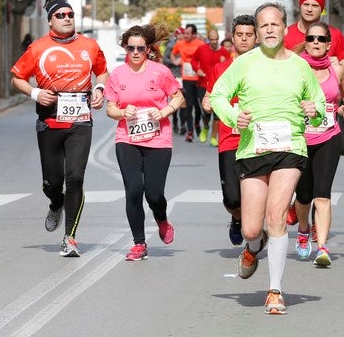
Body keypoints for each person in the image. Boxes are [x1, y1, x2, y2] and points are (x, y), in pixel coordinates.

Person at [209, 2, 325, 315]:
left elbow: (319, 104)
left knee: (275, 217)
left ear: (285, 28)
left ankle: (275, 291)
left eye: (275, 24)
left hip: (290, 148)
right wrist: (234, 116)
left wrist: (314, 112)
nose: (270, 30)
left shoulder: (300, 66)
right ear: (258, 32)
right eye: (264, 26)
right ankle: (252, 247)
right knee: (250, 228)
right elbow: (217, 96)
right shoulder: (244, 63)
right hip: (252, 149)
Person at [11, 0, 108, 258]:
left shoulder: (90, 46)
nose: (67, 18)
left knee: (75, 177)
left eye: (70, 14)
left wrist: (99, 89)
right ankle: (56, 203)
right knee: (51, 183)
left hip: (80, 120)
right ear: (51, 21)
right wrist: (35, 93)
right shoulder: (37, 48)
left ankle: (70, 238)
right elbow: (17, 77)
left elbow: (103, 72)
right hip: (50, 119)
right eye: (61, 15)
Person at [105, 24, 184, 261]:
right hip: (127, 139)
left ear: (148, 49)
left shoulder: (160, 72)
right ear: (125, 48)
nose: (136, 52)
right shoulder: (118, 74)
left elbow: (178, 96)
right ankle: (139, 243)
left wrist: (164, 112)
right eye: (131, 48)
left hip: (158, 140)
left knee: (154, 194)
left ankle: (161, 219)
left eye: (140, 48)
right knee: (134, 190)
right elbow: (110, 108)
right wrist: (121, 112)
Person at [293, 21, 344, 267]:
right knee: (304, 194)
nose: (315, 42)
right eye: (311, 38)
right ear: (305, 42)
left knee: (323, 194)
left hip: (329, 135)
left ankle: (323, 247)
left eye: (320, 39)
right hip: (300, 137)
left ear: (329, 44)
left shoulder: (337, 70)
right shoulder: (295, 68)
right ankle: (304, 229)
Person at [201, 14, 257, 246]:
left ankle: (255, 231)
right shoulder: (221, 68)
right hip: (229, 140)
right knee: (233, 199)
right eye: (240, 35)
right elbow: (208, 98)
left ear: (256, 38)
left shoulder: (265, 67)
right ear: (232, 38)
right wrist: (207, 103)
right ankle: (236, 218)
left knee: (257, 194)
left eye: (249, 35)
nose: (244, 39)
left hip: (259, 140)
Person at [284, 0, 344, 79]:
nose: (309, 9)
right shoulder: (286, 34)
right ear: (300, 6)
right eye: (306, 4)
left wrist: (337, 66)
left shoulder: (335, 35)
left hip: (326, 92)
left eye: (315, 6)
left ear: (322, 9)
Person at [193, 27, 230, 144]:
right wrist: (197, 69)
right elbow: (193, 60)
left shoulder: (224, 51)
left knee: (217, 113)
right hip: (203, 84)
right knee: (205, 111)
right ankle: (205, 127)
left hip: (218, 86)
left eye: (216, 39)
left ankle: (214, 137)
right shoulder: (201, 49)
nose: (214, 42)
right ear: (208, 39)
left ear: (219, 39)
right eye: (212, 39)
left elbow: (230, 66)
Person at [170, 24, 205, 142]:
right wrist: (175, 61)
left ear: (194, 34)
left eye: (188, 33)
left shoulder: (200, 44)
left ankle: (197, 124)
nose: (185, 35)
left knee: (199, 105)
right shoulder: (180, 44)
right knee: (188, 105)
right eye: (184, 33)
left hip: (199, 79)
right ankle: (190, 131)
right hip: (187, 78)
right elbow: (172, 53)